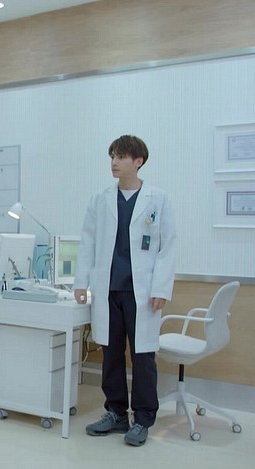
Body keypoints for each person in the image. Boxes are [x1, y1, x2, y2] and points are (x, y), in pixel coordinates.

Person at [73, 135, 176, 447]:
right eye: (112, 157)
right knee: (111, 353)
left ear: (138, 161)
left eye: (120, 157)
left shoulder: (158, 199)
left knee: (143, 356)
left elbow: (167, 247)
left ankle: (143, 419)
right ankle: (116, 413)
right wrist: (81, 283)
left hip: (141, 292)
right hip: (108, 289)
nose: (114, 163)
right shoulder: (100, 199)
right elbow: (88, 242)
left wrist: (161, 288)